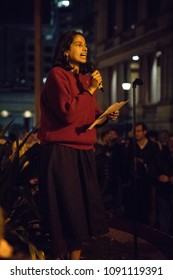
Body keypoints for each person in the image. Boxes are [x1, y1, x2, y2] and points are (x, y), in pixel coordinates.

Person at [37, 30, 119, 260]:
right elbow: (68, 112)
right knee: (63, 212)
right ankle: (58, 263)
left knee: (80, 214)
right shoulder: (57, 76)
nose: (85, 49)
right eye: (78, 44)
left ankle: (75, 264)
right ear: (65, 50)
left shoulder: (83, 79)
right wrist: (90, 89)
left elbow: (88, 115)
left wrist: (105, 115)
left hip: (83, 152)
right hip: (61, 153)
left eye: (85, 45)